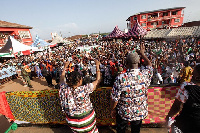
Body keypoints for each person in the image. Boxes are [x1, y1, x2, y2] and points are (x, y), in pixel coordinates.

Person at [110, 43, 153, 133]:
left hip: (123, 112)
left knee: (121, 130)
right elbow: (149, 64)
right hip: (139, 111)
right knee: (136, 130)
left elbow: (115, 99)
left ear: (126, 64)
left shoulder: (121, 78)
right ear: (138, 62)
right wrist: (142, 53)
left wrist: (113, 109)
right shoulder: (145, 75)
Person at [59, 59, 101, 133]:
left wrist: (65, 67)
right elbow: (98, 80)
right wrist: (97, 65)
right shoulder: (85, 89)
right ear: (79, 81)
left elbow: (62, 79)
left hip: (72, 123)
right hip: (87, 121)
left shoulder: (63, 89)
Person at [165, 64, 200, 133]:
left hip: (187, 123)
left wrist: (168, 117)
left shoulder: (186, 86)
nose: (191, 74)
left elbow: (177, 106)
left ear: (197, 77)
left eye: (193, 74)